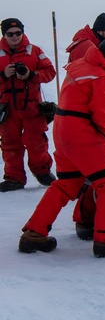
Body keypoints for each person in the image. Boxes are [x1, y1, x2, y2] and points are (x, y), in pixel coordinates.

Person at [18, 36, 105, 257]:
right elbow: (100, 118)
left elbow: (82, 105)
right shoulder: (102, 78)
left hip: (63, 131)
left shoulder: (79, 67)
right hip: (82, 135)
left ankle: (33, 233)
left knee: (66, 184)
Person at [0, 18, 57, 191]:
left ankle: (42, 171)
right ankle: (14, 177)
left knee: (36, 141)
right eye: (11, 34)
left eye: (18, 33)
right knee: (10, 144)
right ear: (4, 34)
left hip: (31, 107)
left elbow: (50, 72)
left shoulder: (35, 51)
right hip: (7, 109)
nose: (15, 37)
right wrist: (3, 75)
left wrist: (31, 75)